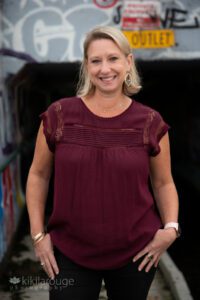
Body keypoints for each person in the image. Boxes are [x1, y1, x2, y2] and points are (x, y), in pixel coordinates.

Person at [26, 26, 180, 300]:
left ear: (128, 62)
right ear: (86, 65)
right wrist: (38, 237)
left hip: (137, 254)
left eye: (113, 58)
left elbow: (163, 182)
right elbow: (38, 176)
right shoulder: (59, 115)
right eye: (96, 60)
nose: (104, 69)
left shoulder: (150, 122)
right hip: (69, 253)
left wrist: (170, 228)